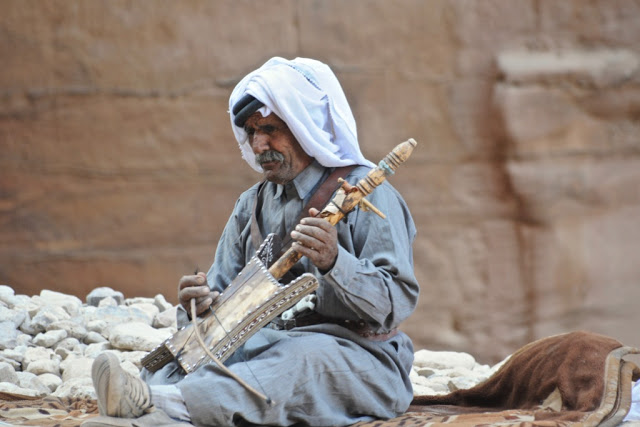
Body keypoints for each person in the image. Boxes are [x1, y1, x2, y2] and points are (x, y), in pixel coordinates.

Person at [84, 57, 419, 427]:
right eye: (250, 131)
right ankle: (163, 403)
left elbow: (396, 302)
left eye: (270, 129)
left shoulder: (367, 194)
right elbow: (222, 294)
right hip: (268, 343)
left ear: (305, 126)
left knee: (303, 358)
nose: (259, 144)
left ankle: (159, 408)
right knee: (183, 360)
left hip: (359, 358)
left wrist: (333, 261)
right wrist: (198, 304)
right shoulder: (252, 204)